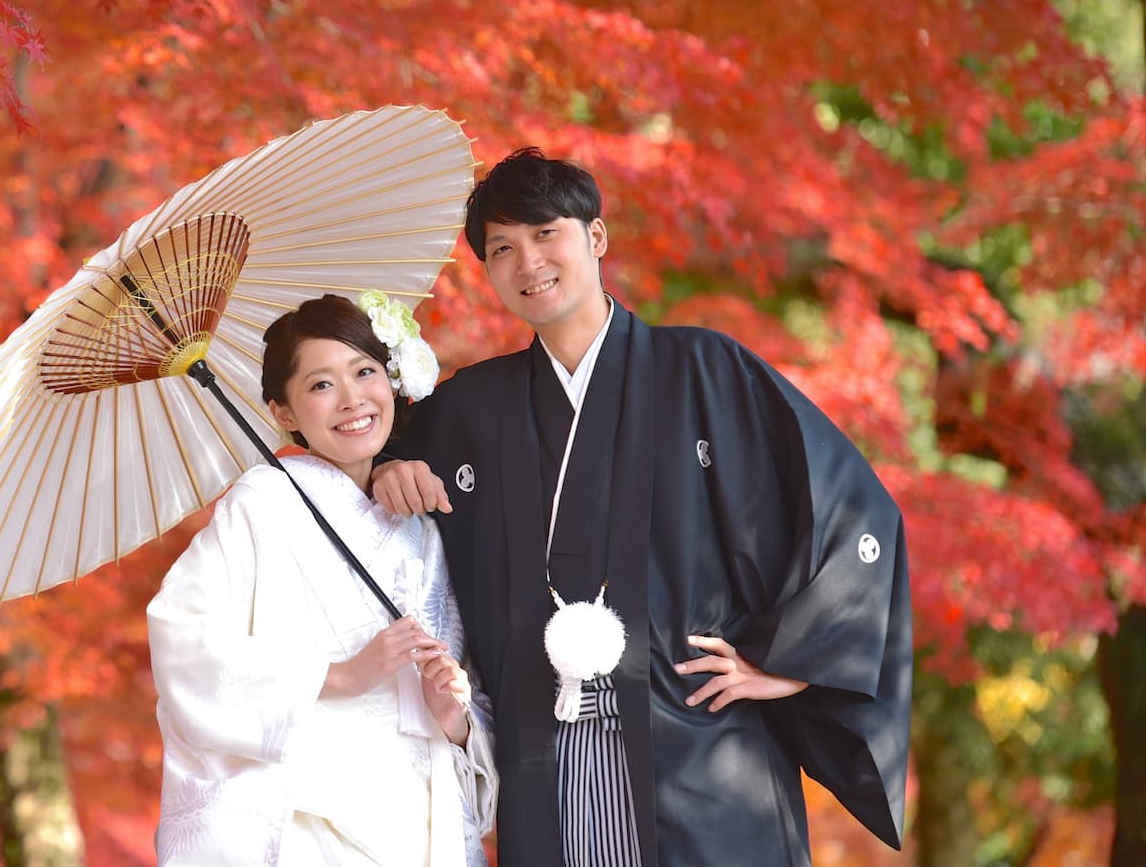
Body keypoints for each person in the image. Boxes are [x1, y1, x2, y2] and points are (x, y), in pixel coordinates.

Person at [372, 148, 911, 867]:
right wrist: (389, 468)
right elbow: (364, 468)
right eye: (502, 248)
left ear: (595, 237)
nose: (527, 261)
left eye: (545, 234)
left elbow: (855, 516)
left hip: (703, 753)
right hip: (545, 760)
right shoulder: (472, 408)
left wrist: (790, 662)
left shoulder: (706, 372)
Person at [148, 294, 497, 866]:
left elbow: (463, 690)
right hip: (309, 819)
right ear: (283, 412)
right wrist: (340, 675)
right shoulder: (263, 505)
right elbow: (184, 639)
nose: (352, 399)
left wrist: (451, 712)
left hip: (420, 818)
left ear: (392, 381)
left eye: (364, 372)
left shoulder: (421, 527)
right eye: (320, 385)